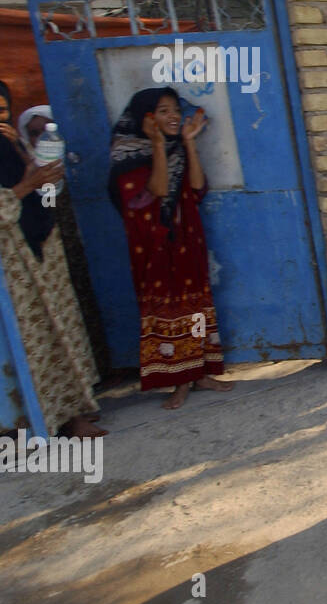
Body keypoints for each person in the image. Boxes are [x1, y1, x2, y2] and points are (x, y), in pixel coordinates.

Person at [108, 88, 231, 409]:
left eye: (175, 110)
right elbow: (159, 190)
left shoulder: (177, 146)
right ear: (145, 117)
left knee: (196, 304)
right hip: (154, 247)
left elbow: (196, 187)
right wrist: (160, 145)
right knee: (166, 309)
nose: (174, 116)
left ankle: (200, 372)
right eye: (163, 111)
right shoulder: (128, 153)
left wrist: (189, 142)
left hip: (187, 240)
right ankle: (178, 380)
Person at [0, 81, 103, 438]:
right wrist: (24, 188)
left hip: (41, 249)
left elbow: (45, 194)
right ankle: (41, 422)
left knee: (61, 330)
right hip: (12, 264)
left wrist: (21, 150)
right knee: (32, 343)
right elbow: (21, 192)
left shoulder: (10, 146)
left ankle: (74, 413)